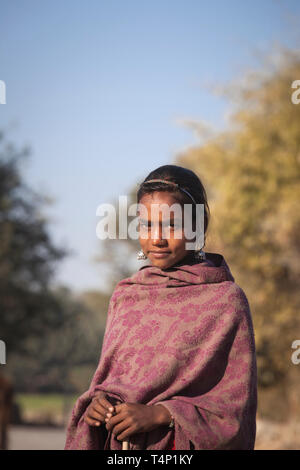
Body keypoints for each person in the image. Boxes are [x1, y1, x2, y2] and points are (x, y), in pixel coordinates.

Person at [64, 164, 257, 450]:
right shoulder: (127, 296)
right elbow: (108, 381)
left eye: (172, 225)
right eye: (147, 225)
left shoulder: (226, 301)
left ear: (198, 225)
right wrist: (96, 405)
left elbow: (234, 411)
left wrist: (161, 415)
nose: (157, 239)